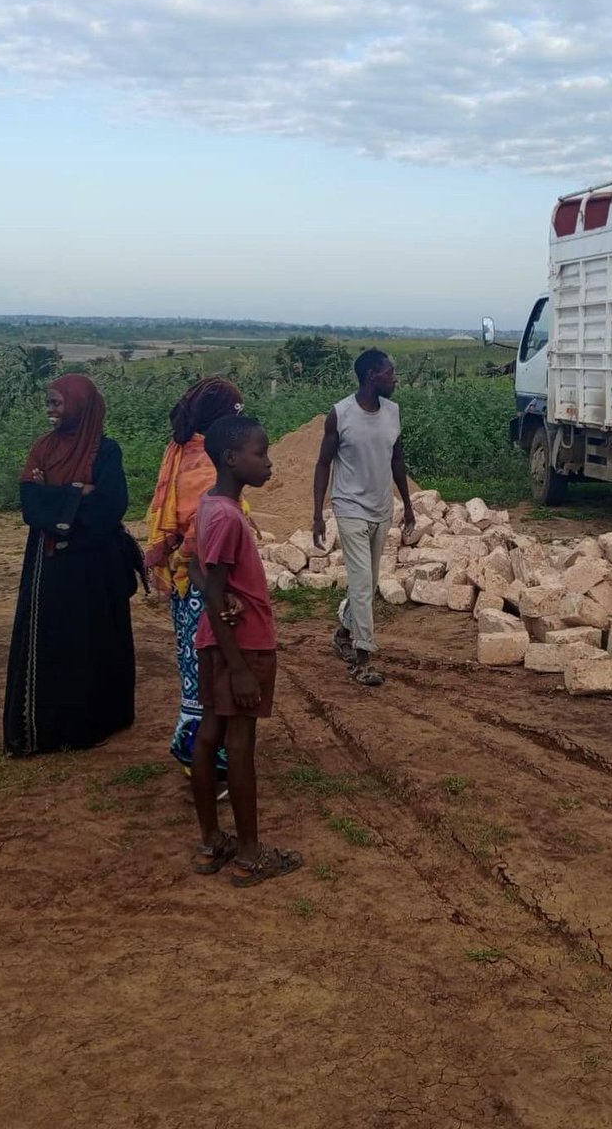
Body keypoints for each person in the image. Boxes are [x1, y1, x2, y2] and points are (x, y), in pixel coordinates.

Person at [189, 413, 302, 887]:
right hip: (242, 646)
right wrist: (239, 668)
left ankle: (212, 841)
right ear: (232, 458)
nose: (270, 462)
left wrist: (223, 594)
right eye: (261, 453)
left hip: (216, 642)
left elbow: (198, 573)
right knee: (239, 744)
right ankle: (251, 854)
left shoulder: (209, 506)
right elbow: (211, 590)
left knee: (210, 735)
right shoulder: (229, 518)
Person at [3, 374, 142, 756]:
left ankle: (101, 719)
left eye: (56, 403)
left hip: (97, 568)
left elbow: (111, 506)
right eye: (48, 403)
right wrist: (80, 493)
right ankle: (53, 728)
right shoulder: (42, 448)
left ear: (80, 406)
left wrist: (61, 498)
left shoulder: (106, 451)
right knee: (55, 641)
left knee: (96, 640)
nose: (49, 411)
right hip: (53, 565)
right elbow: (32, 506)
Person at [145, 376, 249, 774]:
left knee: (195, 664)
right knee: (211, 664)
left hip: (187, 581)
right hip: (205, 582)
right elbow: (200, 530)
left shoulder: (180, 450)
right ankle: (202, 754)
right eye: (237, 413)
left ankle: (200, 748)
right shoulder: (208, 464)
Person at [311, 349, 415, 686]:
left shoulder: (393, 412)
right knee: (361, 583)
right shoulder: (340, 415)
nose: (394, 377)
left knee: (366, 583)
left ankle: (344, 632)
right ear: (372, 375)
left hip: (381, 507)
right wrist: (317, 514)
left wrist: (408, 506)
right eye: (390, 371)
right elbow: (323, 464)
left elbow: (397, 461)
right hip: (349, 506)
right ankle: (362, 659)